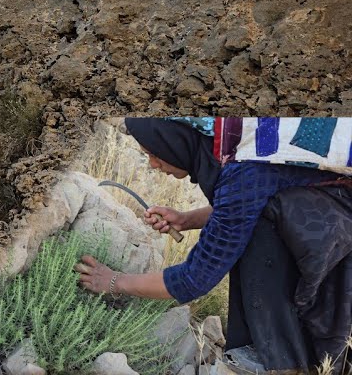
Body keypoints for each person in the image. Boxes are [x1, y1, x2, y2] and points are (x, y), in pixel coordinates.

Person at [75, 118, 352, 373]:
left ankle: (283, 356)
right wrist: (186, 219)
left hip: (334, 234)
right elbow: (251, 200)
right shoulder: (241, 144)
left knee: (259, 231)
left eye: (154, 153)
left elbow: (195, 279)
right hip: (329, 221)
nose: (152, 165)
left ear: (177, 141)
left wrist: (114, 282)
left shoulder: (244, 168)